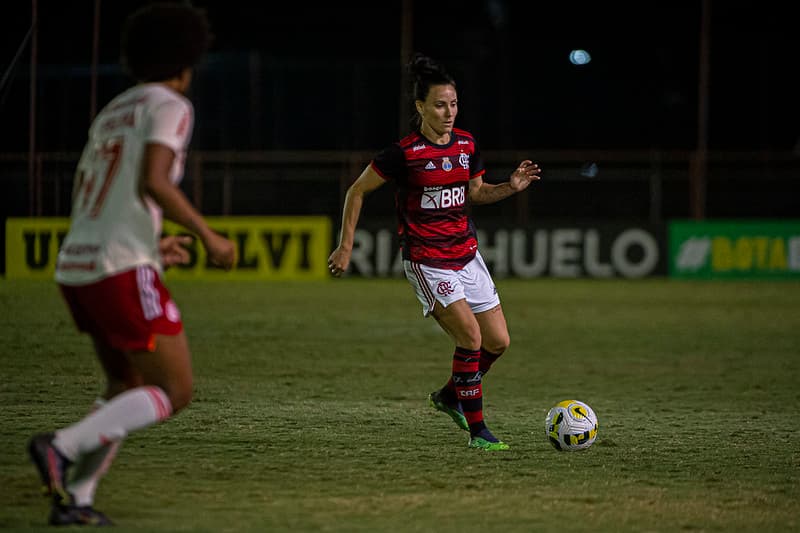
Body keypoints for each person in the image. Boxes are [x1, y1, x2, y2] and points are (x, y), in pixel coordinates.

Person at [27, 3, 235, 526]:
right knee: (174, 389)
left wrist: (152, 242)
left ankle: (75, 500)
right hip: (119, 266)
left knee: (124, 382)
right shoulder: (170, 104)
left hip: (80, 264)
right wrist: (208, 236)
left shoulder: (115, 108)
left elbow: (101, 191)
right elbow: (154, 181)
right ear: (187, 61)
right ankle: (62, 445)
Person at [328, 53, 541, 451]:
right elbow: (356, 191)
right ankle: (479, 432)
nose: (448, 112)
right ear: (420, 107)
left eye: (454, 104)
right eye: (440, 105)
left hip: (466, 255)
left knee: (498, 342)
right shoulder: (403, 154)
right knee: (472, 338)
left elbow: (476, 193)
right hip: (427, 261)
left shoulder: (466, 145)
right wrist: (345, 246)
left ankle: (448, 396)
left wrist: (510, 185)